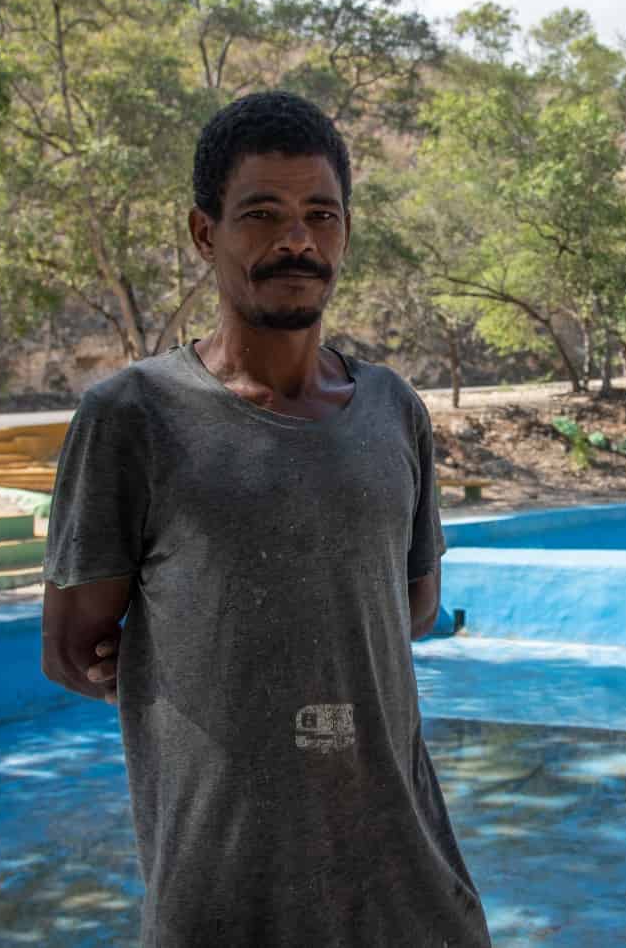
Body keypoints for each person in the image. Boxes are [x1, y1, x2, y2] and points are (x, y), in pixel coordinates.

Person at [39, 91, 491, 947]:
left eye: (322, 215)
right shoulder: (133, 417)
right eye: (263, 215)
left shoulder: (394, 410)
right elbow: (73, 649)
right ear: (205, 233)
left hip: (413, 894)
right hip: (223, 897)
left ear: (346, 233)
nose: (298, 241)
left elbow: (415, 606)